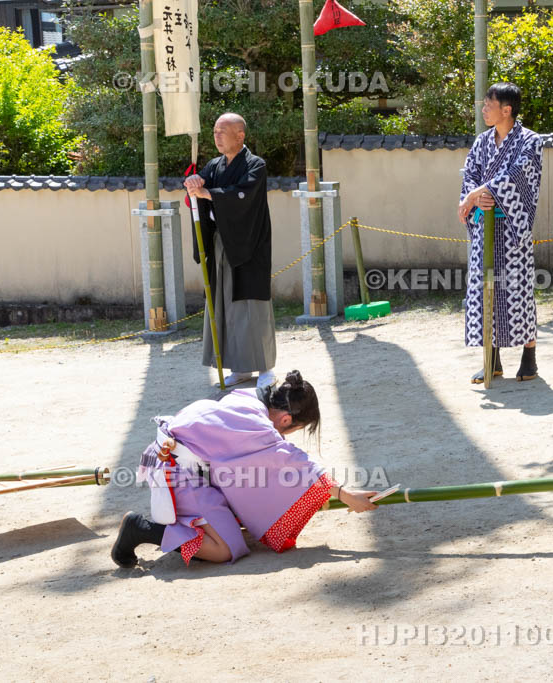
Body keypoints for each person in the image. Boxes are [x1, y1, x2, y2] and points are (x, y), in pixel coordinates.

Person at [111, 371, 377, 568]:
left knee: (252, 484)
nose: (289, 436)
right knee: (226, 549)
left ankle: (187, 523)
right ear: (286, 419)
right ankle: (142, 528)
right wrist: (346, 495)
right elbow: (298, 464)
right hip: (177, 472)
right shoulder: (260, 429)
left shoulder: (249, 397)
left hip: (184, 464)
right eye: (295, 429)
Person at [458, 83, 543, 384]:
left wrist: (482, 192)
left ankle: (529, 358)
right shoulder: (482, 142)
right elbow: (469, 174)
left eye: (488, 105)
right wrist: (474, 196)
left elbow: (518, 177)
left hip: (513, 233)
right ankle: (490, 360)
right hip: (485, 231)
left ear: (506, 110)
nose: (483, 109)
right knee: (484, 292)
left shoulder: (530, 141)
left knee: (518, 292)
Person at [184, 113, 277, 390]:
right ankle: (238, 367)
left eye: (223, 131)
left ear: (240, 135)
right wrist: (193, 183)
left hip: (250, 246)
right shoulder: (215, 165)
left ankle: (266, 368)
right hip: (221, 244)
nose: (217, 136)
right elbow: (200, 182)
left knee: (251, 307)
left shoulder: (255, 165)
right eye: (214, 131)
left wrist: (209, 195)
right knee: (225, 305)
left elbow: (242, 195)